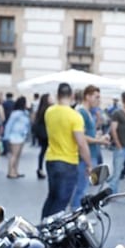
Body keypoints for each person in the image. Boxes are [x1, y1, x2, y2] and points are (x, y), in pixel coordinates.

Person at [41, 83, 92, 219]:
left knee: (52, 197)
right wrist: (88, 164)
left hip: (51, 159)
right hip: (67, 162)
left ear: (58, 95)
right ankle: (50, 233)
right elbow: (81, 143)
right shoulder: (75, 116)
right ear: (72, 96)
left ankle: (42, 225)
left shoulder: (49, 112)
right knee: (61, 201)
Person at [71, 85, 110, 210]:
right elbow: (81, 137)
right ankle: (76, 213)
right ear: (87, 96)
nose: (98, 100)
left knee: (84, 187)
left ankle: (78, 213)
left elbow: (89, 133)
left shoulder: (88, 112)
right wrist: (99, 141)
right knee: (81, 188)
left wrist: (99, 136)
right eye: (96, 97)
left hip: (91, 153)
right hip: (84, 156)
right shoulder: (81, 112)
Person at [3, 97, 31, 179]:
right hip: (15, 136)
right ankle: (10, 172)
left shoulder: (24, 113)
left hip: (21, 136)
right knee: (14, 155)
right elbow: (9, 125)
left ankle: (15, 171)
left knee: (17, 155)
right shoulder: (16, 114)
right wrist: (6, 136)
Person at [33, 93, 53, 179]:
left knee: (43, 151)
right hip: (47, 133)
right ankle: (45, 169)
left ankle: (40, 168)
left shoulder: (40, 109)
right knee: (48, 151)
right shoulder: (48, 110)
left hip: (41, 133)